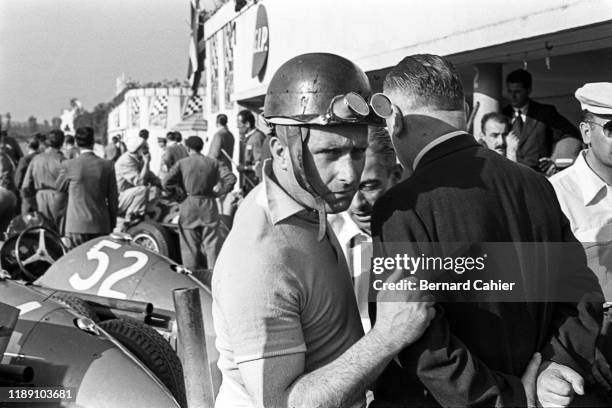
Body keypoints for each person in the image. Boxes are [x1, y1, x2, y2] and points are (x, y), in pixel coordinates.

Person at [372, 54, 604, 407]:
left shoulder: (401, 205)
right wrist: (555, 365)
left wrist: (511, 397)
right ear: (466, 111)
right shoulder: (536, 184)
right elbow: (581, 291)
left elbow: (414, 338)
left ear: (396, 119)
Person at [212, 53, 437, 408]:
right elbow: (282, 403)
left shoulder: (304, 200)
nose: (351, 174)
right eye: (330, 153)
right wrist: (388, 336)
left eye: (358, 151)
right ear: (280, 151)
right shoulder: (259, 261)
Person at [550, 83, 612, 393]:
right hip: (589, 352)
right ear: (586, 132)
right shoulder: (555, 196)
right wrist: (579, 353)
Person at [328, 127, 402, 332]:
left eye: (369, 187)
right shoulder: (325, 238)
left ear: (395, 176)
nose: (357, 203)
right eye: (349, 188)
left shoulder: (425, 235)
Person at [163, 136, 235, 270]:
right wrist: (218, 193)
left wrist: (179, 196)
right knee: (212, 246)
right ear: (201, 147)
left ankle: (193, 278)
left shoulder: (182, 163)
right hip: (209, 205)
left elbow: (166, 182)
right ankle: (213, 278)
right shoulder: (213, 162)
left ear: (188, 148)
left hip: (188, 205)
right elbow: (231, 178)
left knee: (189, 247)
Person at [502, 69, 582, 175]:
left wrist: (555, 160)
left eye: (517, 92)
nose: (512, 96)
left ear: (528, 90)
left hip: (538, 176)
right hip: (510, 174)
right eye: (509, 91)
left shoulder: (545, 113)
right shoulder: (502, 113)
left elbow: (571, 135)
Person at [56, 127, 118, 247]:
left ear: (76, 143)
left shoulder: (69, 165)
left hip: (76, 225)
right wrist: (112, 223)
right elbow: (113, 199)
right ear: (93, 141)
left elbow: (59, 187)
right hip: (101, 224)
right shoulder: (107, 165)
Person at [21, 129, 67, 231]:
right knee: (60, 234)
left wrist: (32, 203)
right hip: (60, 199)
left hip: (40, 199)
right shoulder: (64, 161)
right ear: (62, 142)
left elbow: (25, 186)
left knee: (43, 233)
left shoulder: (36, 159)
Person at [115, 136, 161, 228]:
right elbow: (140, 182)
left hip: (130, 196)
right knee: (142, 189)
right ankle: (131, 219)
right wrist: (147, 162)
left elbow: (152, 178)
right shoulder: (125, 161)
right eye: (144, 147)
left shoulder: (139, 160)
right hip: (120, 198)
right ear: (136, 149)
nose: (147, 149)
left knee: (155, 190)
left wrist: (165, 186)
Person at [236, 109, 266, 193]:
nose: (237, 126)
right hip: (248, 181)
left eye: (239, 124)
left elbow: (260, 165)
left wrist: (245, 168)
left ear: (248, 124)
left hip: (255, 182)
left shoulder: (257, 138)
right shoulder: (248, 138)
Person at [13, 138, 40, 214]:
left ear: (27, 146)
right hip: (39, 191)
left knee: (26, 216)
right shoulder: (42, 158)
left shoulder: (24, 160)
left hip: (27, 192)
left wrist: (17, 189)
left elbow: (18, 177)